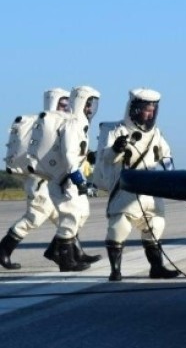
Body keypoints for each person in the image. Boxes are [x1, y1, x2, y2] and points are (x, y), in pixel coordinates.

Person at [95, 88, 178, 281]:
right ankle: (115, 271)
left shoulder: (156, 134)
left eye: (152, 110)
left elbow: (166, 155)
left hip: (151, 190)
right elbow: (105, 158)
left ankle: (156, 268)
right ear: (133, 109)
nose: (149, 114)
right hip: (127, 188)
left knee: (156, 225)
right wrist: (116, 149)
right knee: (119, 227)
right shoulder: (116, 130)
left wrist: (172, 177)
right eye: (145, 109)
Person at [27, 86, 101, 271]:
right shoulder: (72, 124)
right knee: (71, 216)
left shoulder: (80, 124)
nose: (91, 109)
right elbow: (68, 155)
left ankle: (55, 250)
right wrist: (78, 179)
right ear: (80, 102)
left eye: (92, 105)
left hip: (71, 179)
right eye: (88, 104)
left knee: (82, 213)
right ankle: (67, 262)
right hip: (64, 180)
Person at [0, 88, 69, 269]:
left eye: (67, 105)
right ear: (53, 103)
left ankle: (64, 254)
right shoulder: (44, 127)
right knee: (34, 217)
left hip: (51, 181)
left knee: (67, 218)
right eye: (62, 104)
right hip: (39, 181)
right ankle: (3, 251)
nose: (65, 108)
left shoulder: (59, 126)